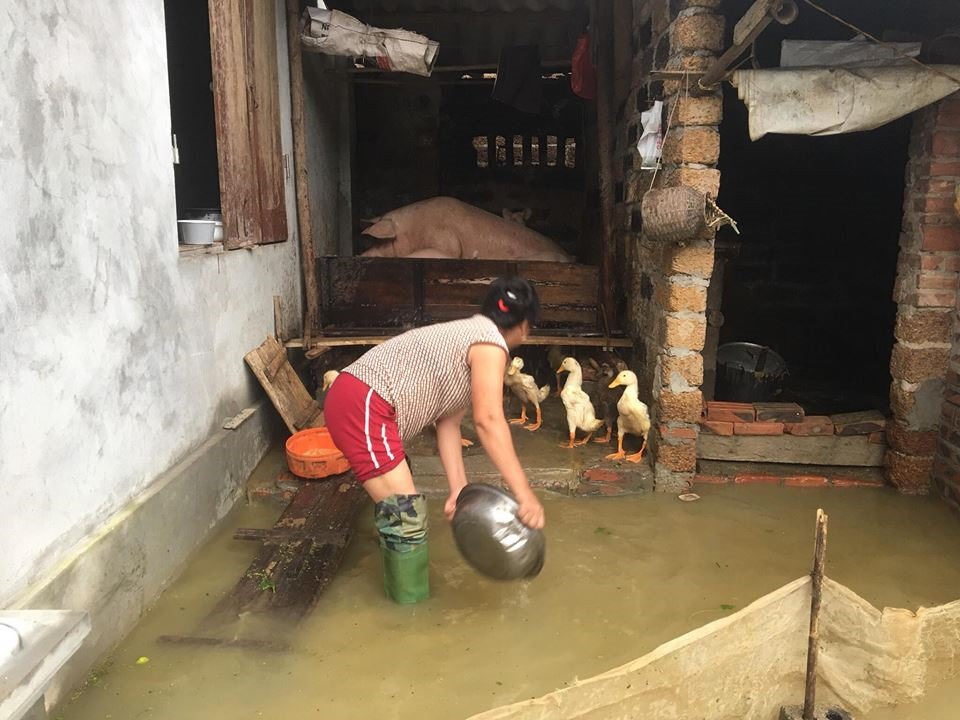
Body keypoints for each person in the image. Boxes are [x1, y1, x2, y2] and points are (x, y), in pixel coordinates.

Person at [324, 276, 546, 604]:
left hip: (360, 401)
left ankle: (399, 593)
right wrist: (524, 495)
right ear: (525, 327)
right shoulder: (491, 344)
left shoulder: (469, 334)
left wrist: (459, 491)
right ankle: (409, 617)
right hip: (365, 404)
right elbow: (488, 420)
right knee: (405, 515)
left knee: (399, 509)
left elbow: (449, 425)